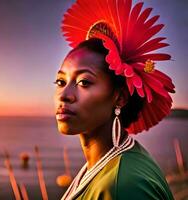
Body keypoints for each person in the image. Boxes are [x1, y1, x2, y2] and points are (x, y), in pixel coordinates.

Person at [54, 0, 175, 199]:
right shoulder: (110, 166)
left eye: (84, 82)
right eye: (60, 81)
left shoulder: (123, 187)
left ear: (120, 98)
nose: (64, 95)